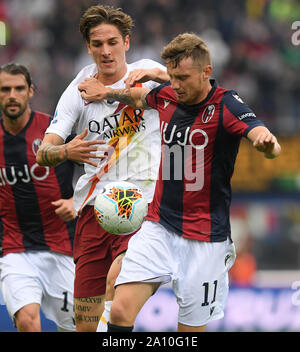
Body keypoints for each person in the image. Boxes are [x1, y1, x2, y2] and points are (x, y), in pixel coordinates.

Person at [79, 32, 281, 332]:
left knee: (189, 331)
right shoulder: (167, 95)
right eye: (171, 76)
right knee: (120, 310)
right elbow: (138, 97)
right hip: (159, 226)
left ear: (206, 73)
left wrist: (267, 144)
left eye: (182, 77)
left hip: (205, 239)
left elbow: (263, 136)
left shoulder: (227, 105)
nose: (175, 85)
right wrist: (106, 93)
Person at [36, 4, 169, 332]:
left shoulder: (147, 72)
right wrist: (67, 150)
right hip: (93, 212)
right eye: (98, 44)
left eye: (112, 42)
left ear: (126, 42)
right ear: (88, 47)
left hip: (141, 206)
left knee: (116, 286)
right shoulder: (77, 90)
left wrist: (110, 92)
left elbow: (188, 87)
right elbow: (43, 151)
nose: (106, 51)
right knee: (85, 323)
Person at [0, 63, 77, 332]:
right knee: (27, 320)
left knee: (75, 328)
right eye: (5, 89)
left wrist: (76, 201)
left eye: (19, 88)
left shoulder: (54, 131)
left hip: (63, 248)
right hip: (15, 250)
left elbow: (98, 167)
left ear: (30, 91)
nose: (12, 95)